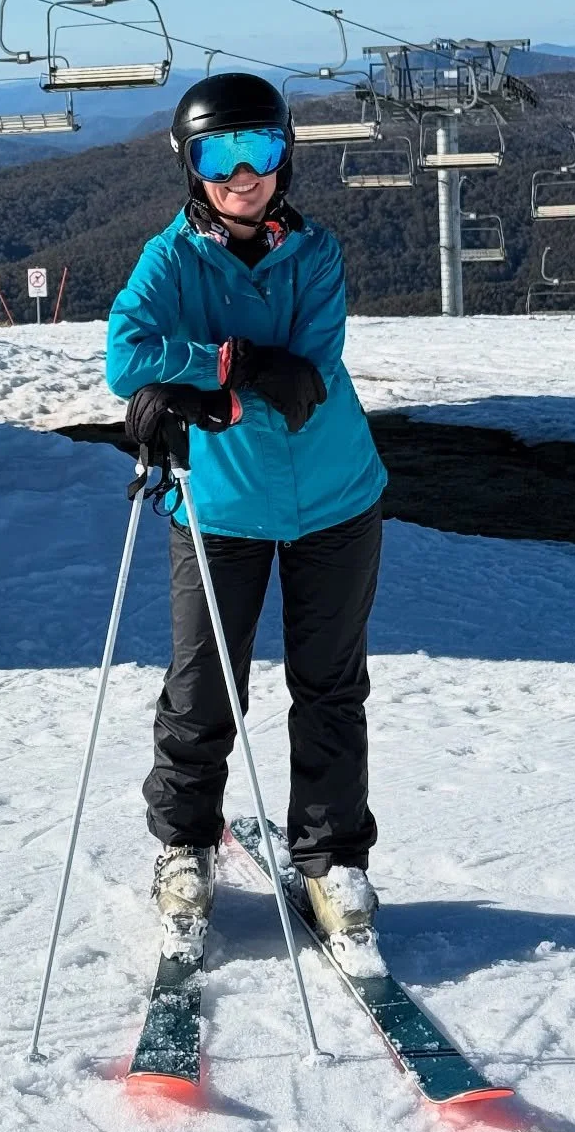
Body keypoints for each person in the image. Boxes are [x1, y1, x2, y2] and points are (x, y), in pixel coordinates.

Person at [105, 72, 389, 974]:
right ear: (191, 167)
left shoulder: (316, 253)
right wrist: (226, 365)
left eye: (259, 152)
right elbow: (126, 353)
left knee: (330, 687)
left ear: (285, 157)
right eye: (218, 156)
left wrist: (200, 389)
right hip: (221, 507)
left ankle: (332, 860)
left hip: (335, 501)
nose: (242, 175)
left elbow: (305, 383)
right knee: (202, 688)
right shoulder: (170, 259)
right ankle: (184, 848)